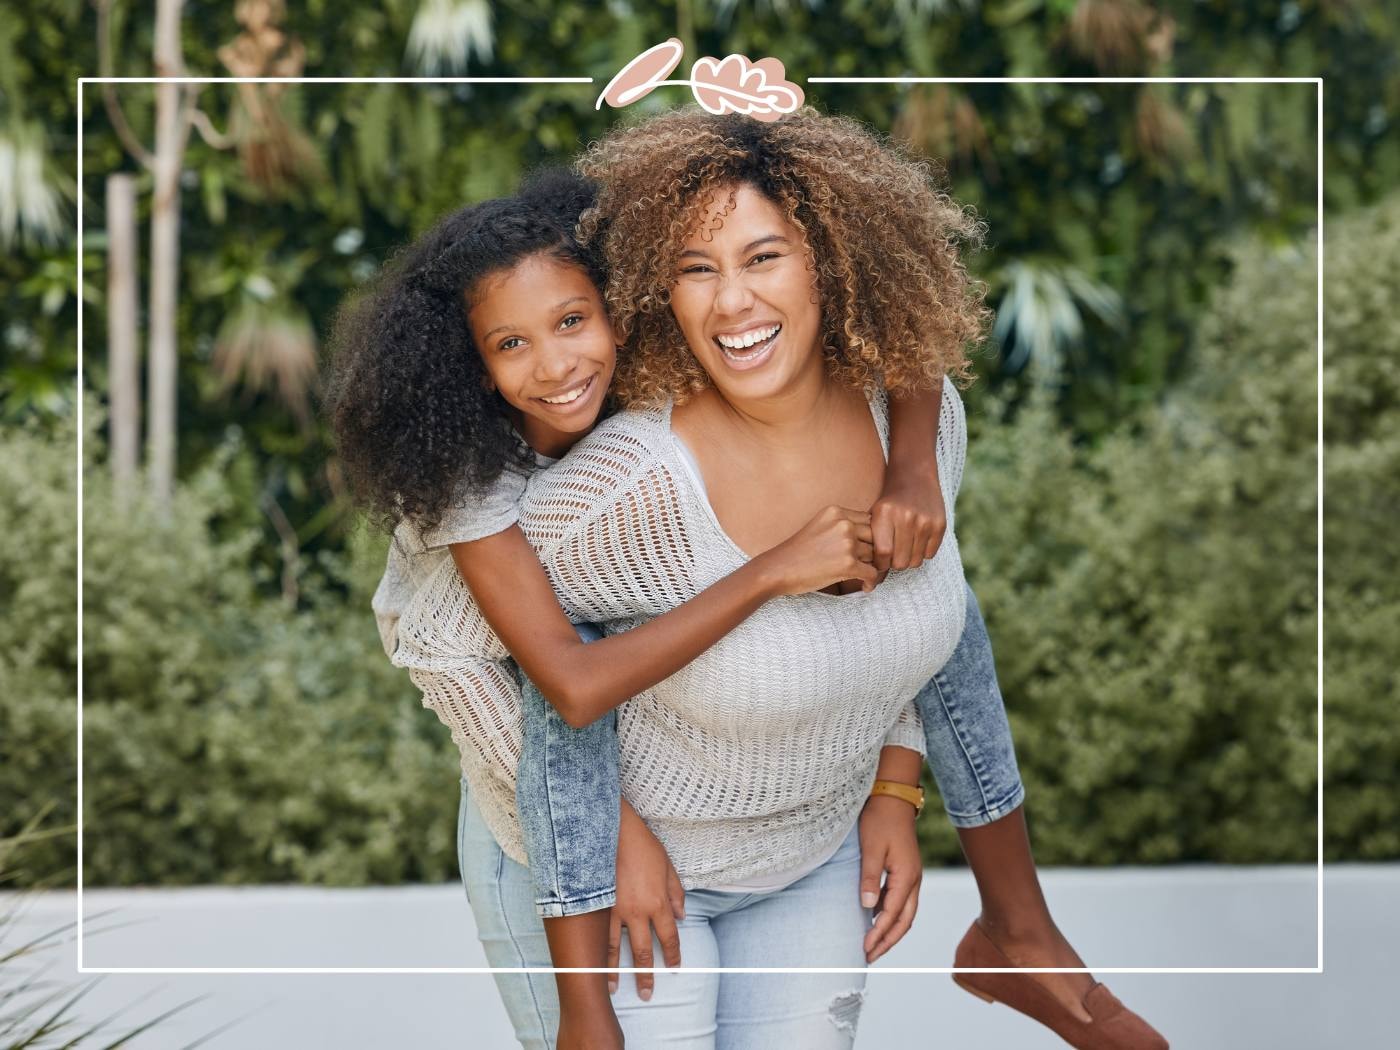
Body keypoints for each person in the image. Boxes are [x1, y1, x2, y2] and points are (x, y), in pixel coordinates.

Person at [385, 111, 1167, 1049]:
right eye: (696, 268)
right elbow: (477, 656)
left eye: (765, 258)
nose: (731, 301)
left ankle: (1018, 927)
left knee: (936, 587)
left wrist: (893, 784)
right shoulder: (577, 490)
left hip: (802, 851)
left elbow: (908, 596)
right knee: (572, 653)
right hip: (603, 866)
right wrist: (611, 839)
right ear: (656, 294)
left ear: (836, 259)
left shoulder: (910, 414)